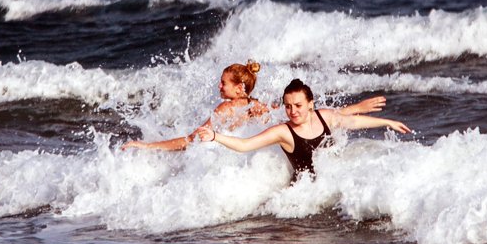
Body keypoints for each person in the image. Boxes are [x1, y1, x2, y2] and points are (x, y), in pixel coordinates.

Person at [121, 64, 388, 153]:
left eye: (223, 83)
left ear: (240, 88)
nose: (219, 87)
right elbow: (309, 115)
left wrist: (147, 146)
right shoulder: (259, 107)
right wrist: (355, 108)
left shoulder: (225, 109)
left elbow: (189, 141)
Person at [196, 77, 412, 177]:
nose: (293, 111)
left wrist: (387, 122)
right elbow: (245, 145)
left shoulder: (324, 116)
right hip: (305, 194)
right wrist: (215, 136)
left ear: (310, 104)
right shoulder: (283, 132)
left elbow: (352, 121)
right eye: (288, 107)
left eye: (298, 105)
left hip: (332, 182)